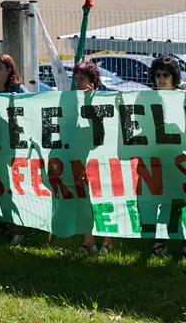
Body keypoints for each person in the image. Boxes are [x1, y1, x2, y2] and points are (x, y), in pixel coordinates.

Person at [147, 54, 186, 259]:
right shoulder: (149, 99)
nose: (161, 78)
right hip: (155, 159)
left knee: (179, 202)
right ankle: (160, 242)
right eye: (158, 74)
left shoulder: (183, 98)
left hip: (178, 161)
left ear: (174, 76)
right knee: (159, 201)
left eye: (166, 74)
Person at [0, 53, 29, 245]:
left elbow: (29, 114)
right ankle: (0, 227)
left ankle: (19, 229)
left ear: (9, 70)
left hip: (13, 149)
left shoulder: (19, 90)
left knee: (13, 189)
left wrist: (19, 102)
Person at [72, 60, 114, 256]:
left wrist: (90, 101)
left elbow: (103, 132)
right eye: (76, 78)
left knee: (104, 199)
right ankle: (89, 241)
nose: (78, 83)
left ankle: (107, 241)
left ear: (93, 82)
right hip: (82, 158)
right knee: (85, 200)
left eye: (83, 79)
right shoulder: (71, 101)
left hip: (102, 159)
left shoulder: (104, 99)